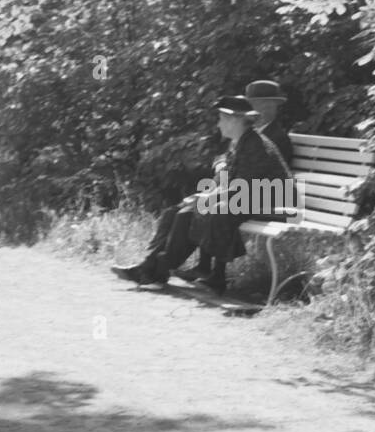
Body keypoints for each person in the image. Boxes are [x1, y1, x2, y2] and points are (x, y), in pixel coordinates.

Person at [113, 95, 293, 294]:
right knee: (175, 212)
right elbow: (230, 179)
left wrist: (207, 198)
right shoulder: (240, 140)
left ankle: (162, 271)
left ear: (234, 120)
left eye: (221, 119)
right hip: (252, 197)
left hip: (274, 200)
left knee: (198, 212)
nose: (218, 124)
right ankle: (150, 266)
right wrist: (204, 196)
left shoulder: (255, 144)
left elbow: (246, 186)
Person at [244, 79, 293, 167]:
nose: (265, 108)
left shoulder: (279, 138)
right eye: (258, 103)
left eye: (269, 104)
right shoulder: (245, 132)